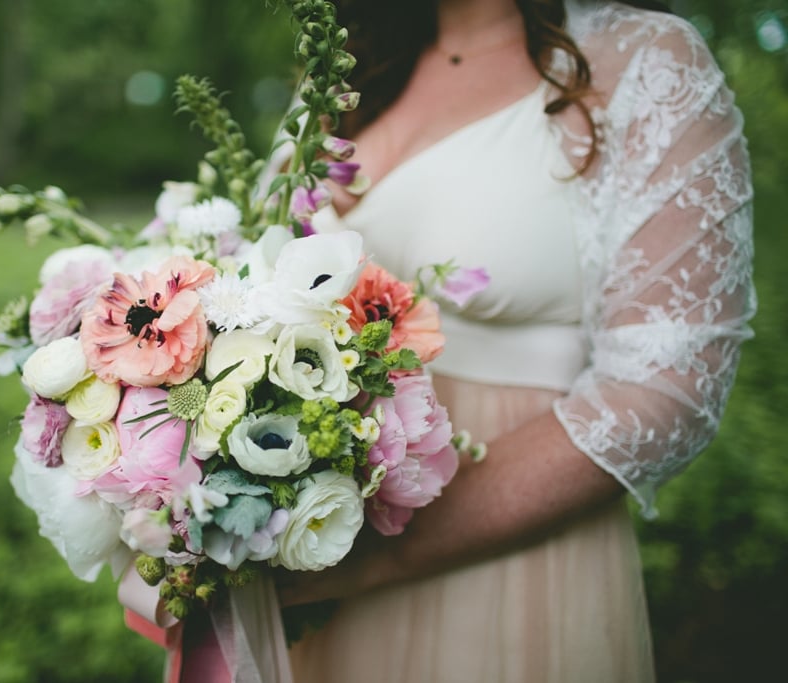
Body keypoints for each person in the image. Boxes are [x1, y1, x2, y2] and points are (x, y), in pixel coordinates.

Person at [280, 0, 755, 681]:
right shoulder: (344, 67)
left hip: (503, 574)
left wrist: (363, 551)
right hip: (305, 562)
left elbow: (665, 394)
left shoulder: (647, 63)